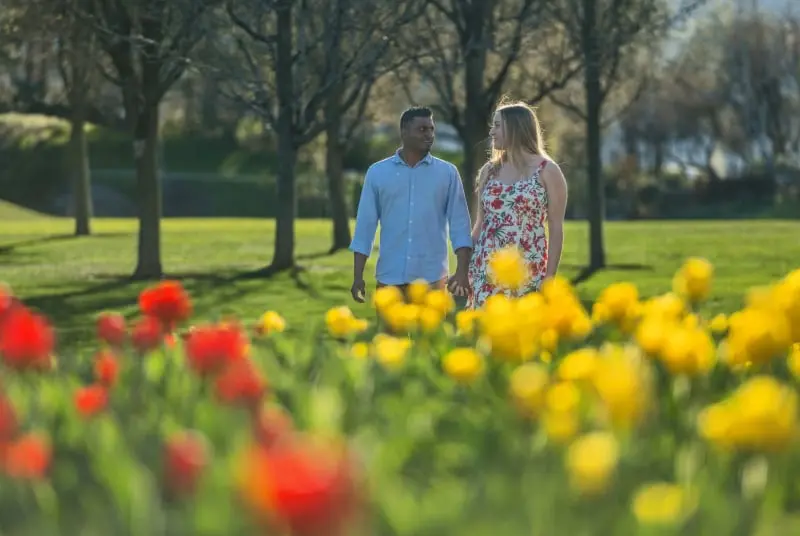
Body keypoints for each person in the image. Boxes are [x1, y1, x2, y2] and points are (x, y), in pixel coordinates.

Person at [349, 106, 472, 302]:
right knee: (388, 335)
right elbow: (365, 227)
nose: (429, 135)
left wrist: (462, 271)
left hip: (432, 281)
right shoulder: (377, 173)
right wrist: (358, 277)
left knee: (432, 334)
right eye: (422, 129)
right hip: (389, 281)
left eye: (431, 129)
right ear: (404, 131)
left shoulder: (447, 173)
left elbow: (460, 226)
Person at [464, 100, 568, 310]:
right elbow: (480, 225)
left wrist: (549, 277)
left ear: (515, 128)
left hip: (528, 270)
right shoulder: (488, 171)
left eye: (497, 125)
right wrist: (463, 266)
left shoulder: (548, 170)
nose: (491, 132)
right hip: (485, 270)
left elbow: (556, 228)